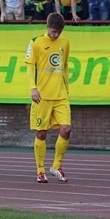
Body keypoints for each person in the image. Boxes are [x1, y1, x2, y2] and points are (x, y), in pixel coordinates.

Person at [26, 12, 72, 183]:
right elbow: (30, 67)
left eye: (59, 32)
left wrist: (66, 88)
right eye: (53, 31)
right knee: (41, 132)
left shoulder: (65, 43)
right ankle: (40, 170)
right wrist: (33, 88)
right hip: (42, 96)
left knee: (66, 129)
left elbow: (64, 66)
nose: (56, 35)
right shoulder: (36, 42)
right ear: (47, 27)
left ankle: (56, 166)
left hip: (60, 95)